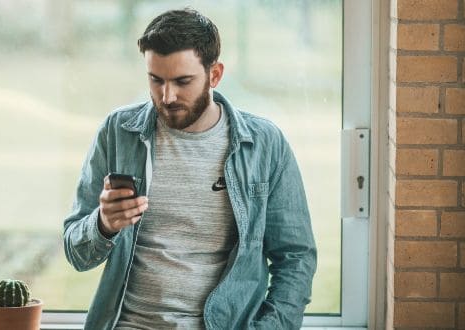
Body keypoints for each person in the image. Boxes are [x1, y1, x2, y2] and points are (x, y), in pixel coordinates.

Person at [63, 8, 316, 330]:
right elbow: (76, 253)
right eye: (156, 80)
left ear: (215, 75)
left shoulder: (264, 144)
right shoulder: (117, 131)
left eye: (183, 81)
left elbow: (295, 257)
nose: (167, 96)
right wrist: (103, 224)